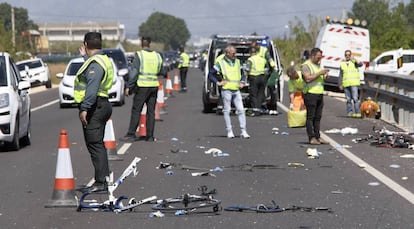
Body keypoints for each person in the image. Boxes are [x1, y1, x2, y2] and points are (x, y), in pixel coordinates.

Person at [74, 32, 113, 192]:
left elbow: (92, 87)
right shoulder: (101, 59)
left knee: (95, 145)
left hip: (95, 106)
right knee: (98, 144)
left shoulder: (96, 63)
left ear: (86, 44)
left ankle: (101, 181)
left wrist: (84, 108)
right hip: (102, 104)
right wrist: (85, 57)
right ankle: (103, 179)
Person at [120, 36, 165, 142]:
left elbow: (134, 72)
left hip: (142, 86)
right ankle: (150, 136)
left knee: (136, 110)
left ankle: (131, 134)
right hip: (154, 86)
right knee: (151, 112)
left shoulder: (140, 55)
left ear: (141, 43)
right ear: (150, 43)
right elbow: (162, 71)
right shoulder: (157, 56)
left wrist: (129, 86)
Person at [208, 45, 250, 139]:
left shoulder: (238, 62)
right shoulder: (221, 63)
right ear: (227, 53)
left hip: (236, 89)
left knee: (241, 110)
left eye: (235, 53)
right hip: (226, 90)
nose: (235, 55)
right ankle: (229, 131)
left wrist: (243, 82)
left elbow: (243, 73)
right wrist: (218, 82)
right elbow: (211, 74)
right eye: (233, 53)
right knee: (227, 110)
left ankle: (243, 131)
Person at [301, 47, 329, 145]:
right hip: (310, 93)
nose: (319, 59)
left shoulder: (318, 65)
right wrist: (320, 73)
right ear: (312, 56)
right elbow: (308, 78)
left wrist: (324, 76)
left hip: (319, 93)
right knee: (311, 117)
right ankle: (311, 137)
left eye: (320, 57)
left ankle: (318, 136)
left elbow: (319, 78)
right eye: (318, 57)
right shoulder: (306, 65)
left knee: (318, 117)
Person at [338, 50, 363, 118]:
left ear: (351, 55)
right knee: (348, 100)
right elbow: (341, 75)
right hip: (346, 84)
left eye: (349, 55)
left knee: (355, 99)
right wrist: (340, 84)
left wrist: (354, 59)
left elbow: (360, 64)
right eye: (346, 55)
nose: (347, 56)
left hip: (354, 83)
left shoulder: (354, 62)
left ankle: (357, 112)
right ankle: (349, 112)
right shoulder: (342, 63)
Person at [246, 46, 267, 116]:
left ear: (250, 53)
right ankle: (258, 109)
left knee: (253, 95)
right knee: (260, 94)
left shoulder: (250, 59)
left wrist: (245, 77)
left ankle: (254, 110)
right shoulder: (262, 59)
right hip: (262, 78)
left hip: (254, 78)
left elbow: (247, 69)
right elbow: (267, 68)